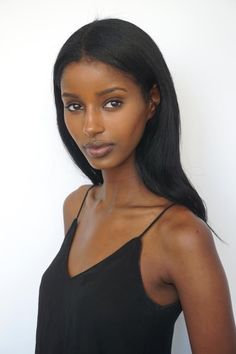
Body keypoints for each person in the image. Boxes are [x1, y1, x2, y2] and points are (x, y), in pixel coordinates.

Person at [35, 18, 236, 354]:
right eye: (74, 105)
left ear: (152, 101)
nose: (90, 126)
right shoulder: (76, 207)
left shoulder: (181, 236)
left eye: (112, 102)